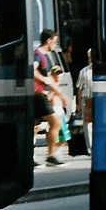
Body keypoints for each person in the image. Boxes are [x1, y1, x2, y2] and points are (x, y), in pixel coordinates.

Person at [33, 29, 69, 167]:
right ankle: (50, 156)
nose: (55, 44)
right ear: (48, 40)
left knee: (35, 126)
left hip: (39, 94)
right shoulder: (39, 54)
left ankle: (32, 157)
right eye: (54, 41)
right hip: (39, 94)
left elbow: (49, 79)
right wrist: (44, 80)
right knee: (55, 123)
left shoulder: (43, 55)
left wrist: (58, 93)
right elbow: (33, 70)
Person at [76, 48, 94, 155]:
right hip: (87, 99)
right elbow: (79, 89)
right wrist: (78, 105)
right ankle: (90, 149)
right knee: (88, 125)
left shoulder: (102, 70)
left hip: (99, 99)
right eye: (89, 56)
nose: (90, 58)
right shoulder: (83, 71)